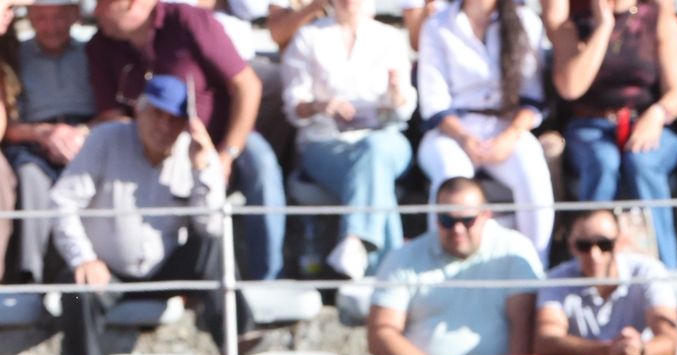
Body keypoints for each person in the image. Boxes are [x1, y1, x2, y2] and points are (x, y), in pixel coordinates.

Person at [87, 0, 286, 281]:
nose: (94, 12)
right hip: (150, 150)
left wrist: (227, 153)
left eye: (102, 3)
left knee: (262, 166)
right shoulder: (101, 45)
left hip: (217, 138)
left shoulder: (188, 21)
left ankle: (268, 280)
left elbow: (247, 85)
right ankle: (163, 283)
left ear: (131, 4)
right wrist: (149, 149)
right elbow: (112, 117)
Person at [49, 75, 236, 355]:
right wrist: (83, 258)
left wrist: (202, 169)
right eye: (157, 114)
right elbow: (62, 201)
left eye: (174, 119)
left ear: (187, 124)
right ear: (139, 110)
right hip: (104, 273)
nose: (164, 126)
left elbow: (211, 227)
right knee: (75, 289)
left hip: (164, 270)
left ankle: (237, 347)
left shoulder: (197, 153)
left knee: (216, 248)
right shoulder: (106, 139)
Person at [546, 0, 677, 270]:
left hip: (649, 121)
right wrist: (603, 27)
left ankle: (665, 270)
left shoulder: (660, 20)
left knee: (643, 162)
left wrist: (657, 114)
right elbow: (570, 88)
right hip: (591, 125)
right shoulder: (573, 25)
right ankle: (591, 263)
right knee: (602, 162)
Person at [280, 0, 416, 280]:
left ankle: (355, 242)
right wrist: (320, 106)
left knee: (375, 151)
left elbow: (405, 107)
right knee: (378, 183)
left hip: (384, 139)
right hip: (326, 143)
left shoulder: (390, 38)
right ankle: (388, 278)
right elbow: (294, 106)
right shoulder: (309, 37)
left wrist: (395, 93)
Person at [416, 0, 553, 256]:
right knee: (451, 175)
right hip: (451, 131)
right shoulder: (438, 24)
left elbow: (533, 97)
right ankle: (439, 266)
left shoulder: (525, 20)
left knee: (532, 169)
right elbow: (433, 102)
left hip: (508, 128)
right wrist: (465, 138)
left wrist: (509, 136)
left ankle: (534, 267)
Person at [366, 176, 543, 355]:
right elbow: (381, 333)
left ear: (485, 215)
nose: (457, 229)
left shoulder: (514, 249)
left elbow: (524, 326)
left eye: (467, 220)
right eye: (447, 220)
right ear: (435, 217)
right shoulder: (404, 257)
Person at [4, 0, 94, 285]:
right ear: (30, 18)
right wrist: (44, 135)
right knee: (30, 177)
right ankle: (31, 275)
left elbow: (115, 113)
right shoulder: (16, 55)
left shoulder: (93, 52)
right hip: (33, 143)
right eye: (41, 18)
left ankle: (93, 272)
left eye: (59, 17)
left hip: (88, 137)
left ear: (74, 16)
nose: (51, 27)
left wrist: (80, 134)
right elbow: (8, 125)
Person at [535, 206, 677, 355]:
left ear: (620, 242)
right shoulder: (557, 279)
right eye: (583, 245)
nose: (594, 254)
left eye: (604, 244)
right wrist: (607, 351)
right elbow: (545, 340)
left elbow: (671, 339)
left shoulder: (648, 271)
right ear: (572, 246)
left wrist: (639, 349)